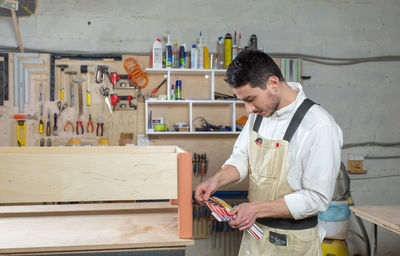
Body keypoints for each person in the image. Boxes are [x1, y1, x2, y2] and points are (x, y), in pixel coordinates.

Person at [194, 50, 343, 255]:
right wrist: (216, 181)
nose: (248, 109)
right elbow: (242, 156)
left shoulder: (319, 126)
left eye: (250, 99)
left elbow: (317, 198)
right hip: (256, 236)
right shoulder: (261, 114)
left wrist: (254, 209)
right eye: (243, 101)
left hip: (294, 244)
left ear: (273, 84)